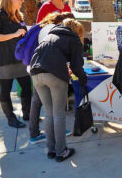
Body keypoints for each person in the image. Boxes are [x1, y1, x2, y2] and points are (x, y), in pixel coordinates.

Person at [30, 19, 87, 162]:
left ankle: (51, 149)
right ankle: (61, 151)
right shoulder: (73, 38)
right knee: (59, 114)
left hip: (36, 74)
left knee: (49, 113)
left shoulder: (51, 35)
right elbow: (77, 66)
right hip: (54, 75)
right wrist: (83, 79)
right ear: (77, 31)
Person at [29, 12, 75, 145]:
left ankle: (49, 146)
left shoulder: (44, 27)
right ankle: (59, 148)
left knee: (46, 110)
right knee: (56, 111)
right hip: (50, 71)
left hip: (35, 69)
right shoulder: (53, 30)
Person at [0, 0, 31, 128]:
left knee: (26, 87)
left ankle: (27, 114)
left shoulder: (19, 16)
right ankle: (11, 118)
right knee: (5, 90)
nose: (23, 0)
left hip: (19, 59)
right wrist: (14, 34)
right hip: (4, 60)